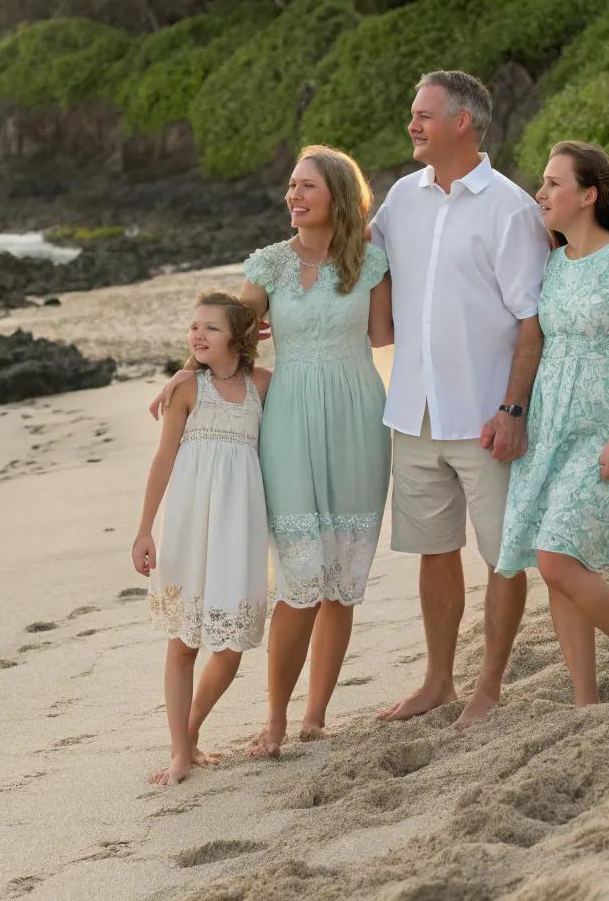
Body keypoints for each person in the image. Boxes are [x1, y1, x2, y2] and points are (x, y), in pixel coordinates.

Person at [372, 70, 551, 729]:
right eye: (413, 113)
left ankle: (490, 688)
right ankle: (438, 681)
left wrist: (513, 410)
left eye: (423, 115)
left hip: (484, 416)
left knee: (503, 555)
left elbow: (532, 319)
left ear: (462, 122)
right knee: (435, 549)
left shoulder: (509, 208)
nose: (412, 124)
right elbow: (355, 262)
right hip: (413, 410)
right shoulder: (401, 197)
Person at [496, 141, 609, 711]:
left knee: (556, 557)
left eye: (554, 184)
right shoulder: (552, 262)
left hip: (601, 431)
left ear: (590, 194)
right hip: (550, 431)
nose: (540, 193)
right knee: (558, 566)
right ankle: (585, 699)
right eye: (542, 183)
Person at [240, 144, 393, 756]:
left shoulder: (371, 263)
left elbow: (387, 335)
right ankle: (275, 718)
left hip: (358, 417)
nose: (294, 196)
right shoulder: (269, 265)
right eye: (291, 186)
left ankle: (315, 714)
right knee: (299, 579)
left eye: (307, 186)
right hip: (290, 419)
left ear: (338, 196)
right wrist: (184, 377)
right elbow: (229, 336)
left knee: (341, 581)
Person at [133, 291, 271, 786]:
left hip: (241, 527)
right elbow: (163, 459)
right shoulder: (188, 388)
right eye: (194, 327)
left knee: (231, 643)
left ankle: (191, 732)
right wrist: (144, 530)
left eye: (211, 327)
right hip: (189, 525)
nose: (197, 334)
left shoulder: (263, 386)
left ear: (238, 336)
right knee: (183, 642)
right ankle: (179, 752)